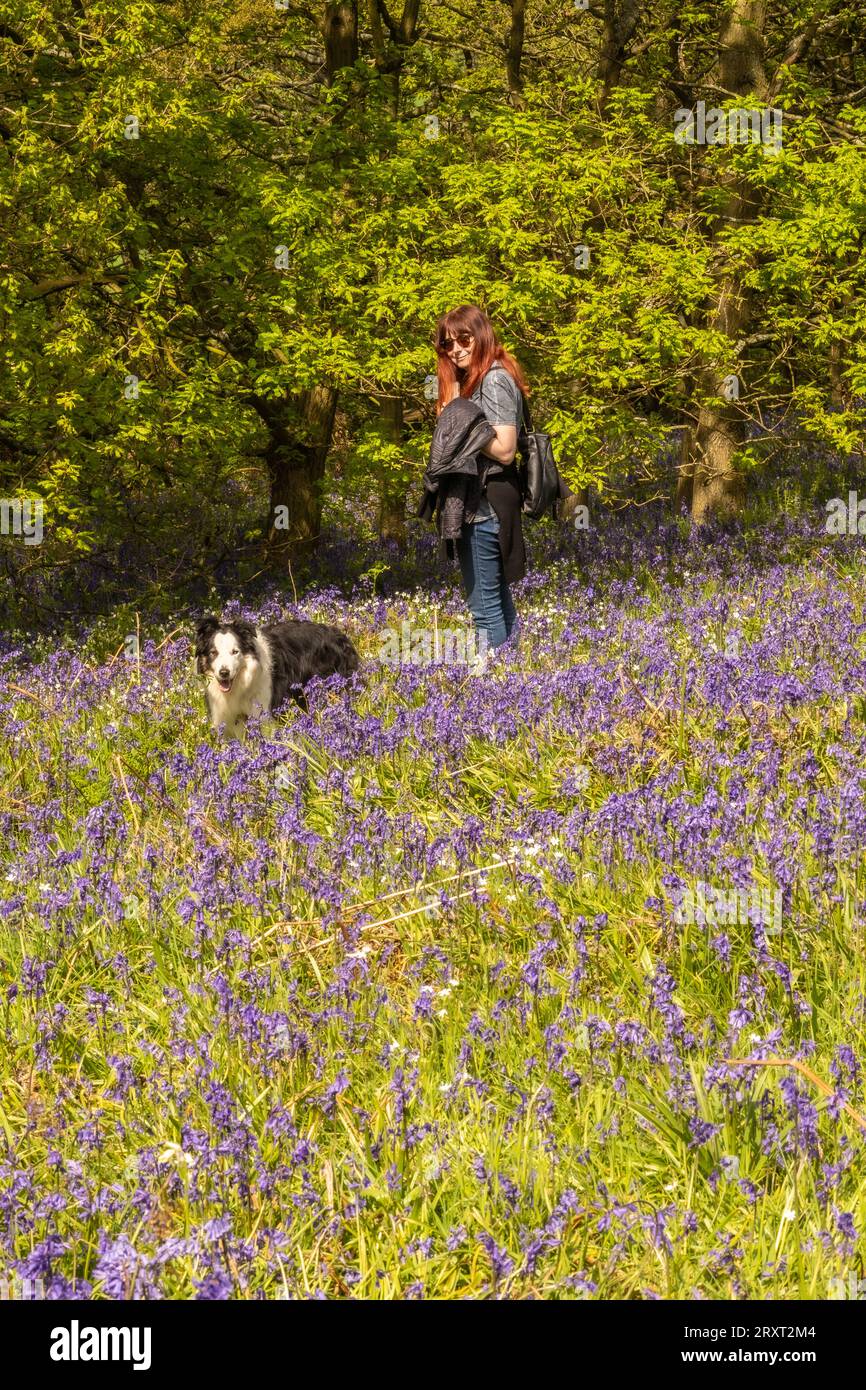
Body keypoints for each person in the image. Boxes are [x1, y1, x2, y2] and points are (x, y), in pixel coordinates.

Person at [432, 304, 528, 653]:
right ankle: (514, 679)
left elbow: (504, 448)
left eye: (463, 339)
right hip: (487, 501)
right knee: (499, 601)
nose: (455, 349)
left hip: (483, 505)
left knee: (484, 611)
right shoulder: (480, 378)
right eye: (447, 344)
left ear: (481, 336)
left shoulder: (495, 378)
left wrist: (461, 422)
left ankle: (494, 692)